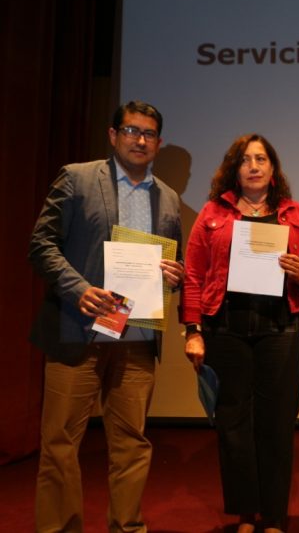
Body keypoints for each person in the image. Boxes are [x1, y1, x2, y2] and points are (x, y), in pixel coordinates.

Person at [28, 100, 183, 532]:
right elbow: (41, 244)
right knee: (60, 444)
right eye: (131, 131)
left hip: (136, 338)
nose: (140, 139)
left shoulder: (168, 198)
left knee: (132, 444)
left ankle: (128, 527)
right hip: (78, 331)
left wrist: (174, 274)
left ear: (159, 143)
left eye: (149, 133)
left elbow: (173, 269)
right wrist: (79, 289)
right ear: (113, 136)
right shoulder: (77, 178)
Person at [181, 133, 299, 533]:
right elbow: (193, 275)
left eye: (261, 159)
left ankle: (273, 516)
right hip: (226, 329)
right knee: (234, 426)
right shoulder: (212, 213)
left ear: (273, 169)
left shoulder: (295, 213)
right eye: (245, 160)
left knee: (277, 425)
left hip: (280, 329)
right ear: (234, 170)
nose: (254, 166)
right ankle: (245, 513)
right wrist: (193, 329)